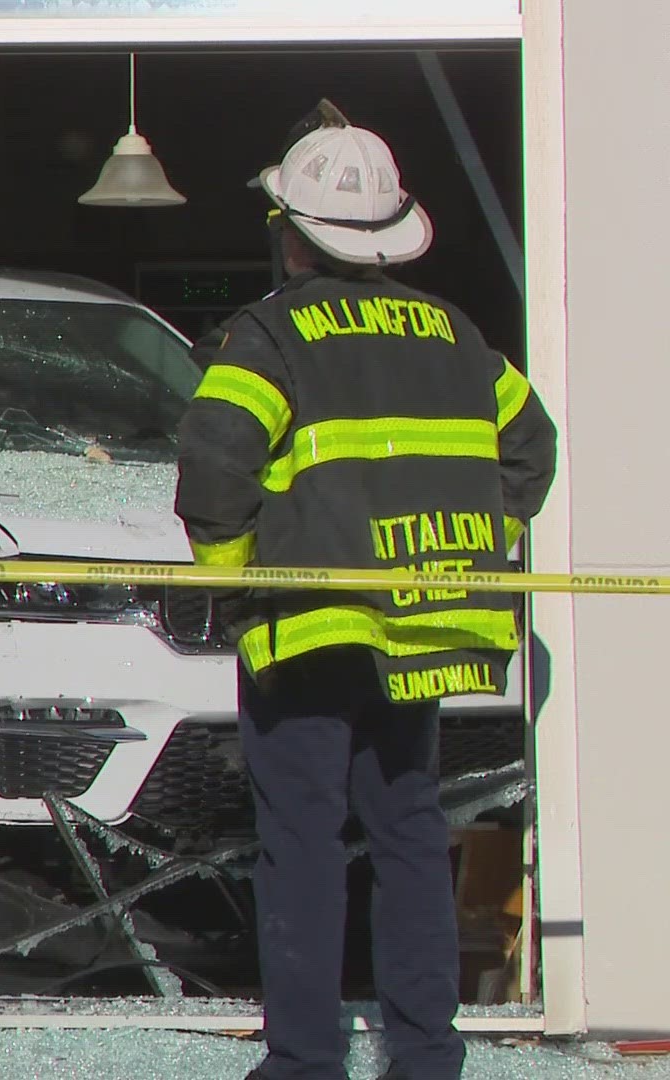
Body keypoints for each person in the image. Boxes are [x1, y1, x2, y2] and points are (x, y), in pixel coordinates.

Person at [174, 105, 557, 1080]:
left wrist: (236, 584)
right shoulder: (458, 336)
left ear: (288, 232)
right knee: (411, 835)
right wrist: (473, 538)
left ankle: (304, 1063)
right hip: (422, 632)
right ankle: (425, 1058)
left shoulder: (270, 335)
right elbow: (532, 448)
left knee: (300, 845)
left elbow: (214, 465)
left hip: (309, 632)